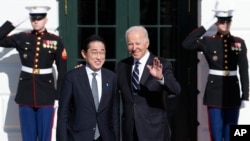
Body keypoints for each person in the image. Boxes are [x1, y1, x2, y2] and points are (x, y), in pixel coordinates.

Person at [182, 1, 249, 141]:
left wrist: (245, 96)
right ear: (217, 23)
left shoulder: (239, 42)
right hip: (214, 93)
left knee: (232, 134)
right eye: (221, 21)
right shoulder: (208, 41)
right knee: (216, 135)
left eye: (227, 21)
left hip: (232, 92)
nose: (225, 24)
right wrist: (207, 24)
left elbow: (244, 70)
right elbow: (187, 44)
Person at [0, 6, 67, 141]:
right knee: (28, 136)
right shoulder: (22, 38)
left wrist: (59, 96)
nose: (36, 21)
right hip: (26, 93)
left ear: (46, 20)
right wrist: (13, 23)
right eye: (33, 18)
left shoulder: (55, 40)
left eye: (40, 18)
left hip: (46, 94)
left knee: (45, 136)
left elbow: (62, 71)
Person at [116, 25, 181, 141]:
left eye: (138, 43)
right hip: (130, 131)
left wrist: (161, 77)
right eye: (130, 44)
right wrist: (82, 73)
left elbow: (176, 89)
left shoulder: (162, 64)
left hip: (154, 130)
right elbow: (110, 89)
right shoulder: (122, 66)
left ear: (147, 43)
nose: (134, 48)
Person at [56, 35, 120, 141]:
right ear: (84, 54)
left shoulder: (112, 78)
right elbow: (63, 113)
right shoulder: (72, 77)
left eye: (102, 52)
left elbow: (115, 114)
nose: (99, 57)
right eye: (94, 52)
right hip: (78, 137)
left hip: (105, 137)